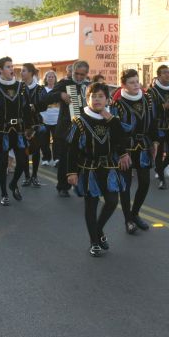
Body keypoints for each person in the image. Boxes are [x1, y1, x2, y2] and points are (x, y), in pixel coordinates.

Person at [67, 82, 130, 256]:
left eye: (101, 96)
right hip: (89, 168)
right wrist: (71, 172)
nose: (97, 100)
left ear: (107, 99)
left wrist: (123, 153)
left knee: (112, 201)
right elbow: (71, 149)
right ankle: (94, 241)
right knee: (91, 205)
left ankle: (99, 229)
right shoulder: (79, 121)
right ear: (87, 100)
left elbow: (120, 139)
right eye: (93, 97)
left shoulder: (112, 120)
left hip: (109, 166)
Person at [0, 56, 32, 206]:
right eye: (8, 66)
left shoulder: (21, 87)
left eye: (12, 66)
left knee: (23, 162)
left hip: (19, 130)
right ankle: (4, 194)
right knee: (3, 163)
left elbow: (26, 109)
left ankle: (13, 184)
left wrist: (29, 128)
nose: (12, 69)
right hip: (1, 129)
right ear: (0, 70)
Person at [112, 69, 158, 233]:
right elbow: (115, 130)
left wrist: (154, 142)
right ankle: (128, 220)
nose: (135, 85)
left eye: (137, 81)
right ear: (123, 84)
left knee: (145, 182)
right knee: (125, 185)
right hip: (125, 147)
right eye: (131, 82)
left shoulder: (147, 99)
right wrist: (121, 152)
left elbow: (153, 122)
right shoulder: (116, 103)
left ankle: (135, 213)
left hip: (144, 145)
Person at [41, 60, 90, 197]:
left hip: (84, 129)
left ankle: (78, 184)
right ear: (72, 72)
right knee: (65, 158)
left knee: (82, 158)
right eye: (77, 74)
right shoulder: (64, 84)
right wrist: (60, 95)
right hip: (66, 128)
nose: (80, 77)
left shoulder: (89, 86)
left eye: (83, 74)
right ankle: (63, 186)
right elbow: (46, 98)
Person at [149, 64, 169, 190]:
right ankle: (162, 180)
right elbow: (149, 109)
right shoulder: (152, 91)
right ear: (159, 75)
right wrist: (162, 107)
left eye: (168, 72)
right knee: (159, 153)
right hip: (158, 126)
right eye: (164, 72)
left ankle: (160, 168)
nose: (167, 74)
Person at [20, 63, 44, 188]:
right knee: (24, 151)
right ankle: (27, 177)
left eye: (24, 71)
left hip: (35, 124)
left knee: (35, 151)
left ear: (30, 73)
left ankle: (34, 176)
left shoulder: (40, 89)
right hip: (22, 124)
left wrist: (35, 106)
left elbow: (44, 105)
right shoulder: (18, 88)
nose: (21, 73)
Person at [39, 70, 59, 166]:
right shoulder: (41, 90)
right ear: (46, 79)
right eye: (49, 77)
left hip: (57, 119)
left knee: (57, 140)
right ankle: (46, 158)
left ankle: (56, 159)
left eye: (52, 77)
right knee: (44, 141)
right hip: (44, 119)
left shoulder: (59, 90)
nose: (50, 78)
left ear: (55, 79)